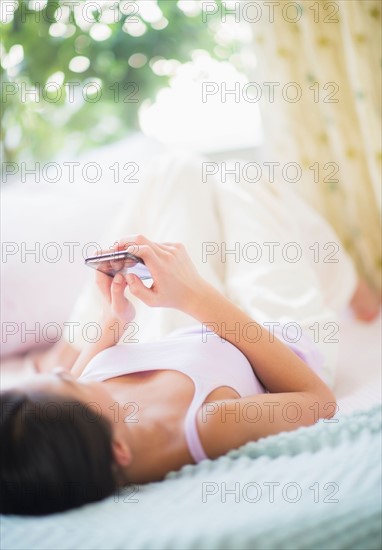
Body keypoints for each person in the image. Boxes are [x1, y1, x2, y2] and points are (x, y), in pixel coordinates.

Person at [1, 153, 379, 516]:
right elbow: (317, 400)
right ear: (120, 450)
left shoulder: (88, 420)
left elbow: (87, 373)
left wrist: (113, 320)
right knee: (240, 178)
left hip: (187, 338)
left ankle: (68, 344)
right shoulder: (207, 426)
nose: (77, 374)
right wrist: (195, 295)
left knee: (175, 170)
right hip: (275, 340)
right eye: (72, 380)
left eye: (63, 374)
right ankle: (345, 281)